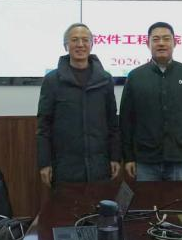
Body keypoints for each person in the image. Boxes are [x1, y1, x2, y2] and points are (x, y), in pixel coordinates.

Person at [37, 23, 121, 186]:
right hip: (65, 166)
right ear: (66, 45)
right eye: (74, 40)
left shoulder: (105, 79)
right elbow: (44, 125)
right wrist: (44, 163)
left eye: (85, 40)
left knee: (99, 202)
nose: (80, 45)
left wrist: (115, 157)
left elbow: (113, 122)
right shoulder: (52, 80)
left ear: (92, 44)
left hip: (100, 165)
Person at [120, 21, 182, 181]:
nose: (161, 43)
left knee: (179, 198)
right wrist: (128, 157)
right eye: (156, 39)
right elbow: (126, 120)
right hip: (145, 160)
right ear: (147, 43)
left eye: (166, 39)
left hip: (180, 158)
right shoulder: (135, 77)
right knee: (146, 198)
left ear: (175, 42)